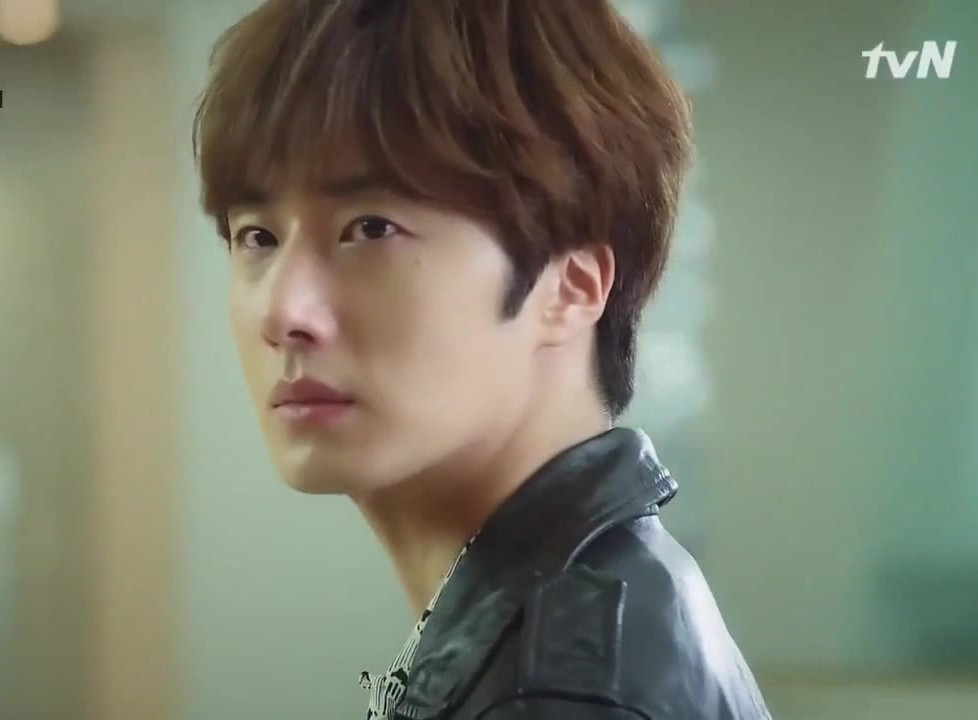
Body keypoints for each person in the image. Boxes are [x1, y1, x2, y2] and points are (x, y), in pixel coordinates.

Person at [190, 0, 772, 717]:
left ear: (571, 286)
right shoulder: (593, 604)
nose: (284, 314)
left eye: (369, 228)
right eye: (257, 237)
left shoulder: (561, 687)